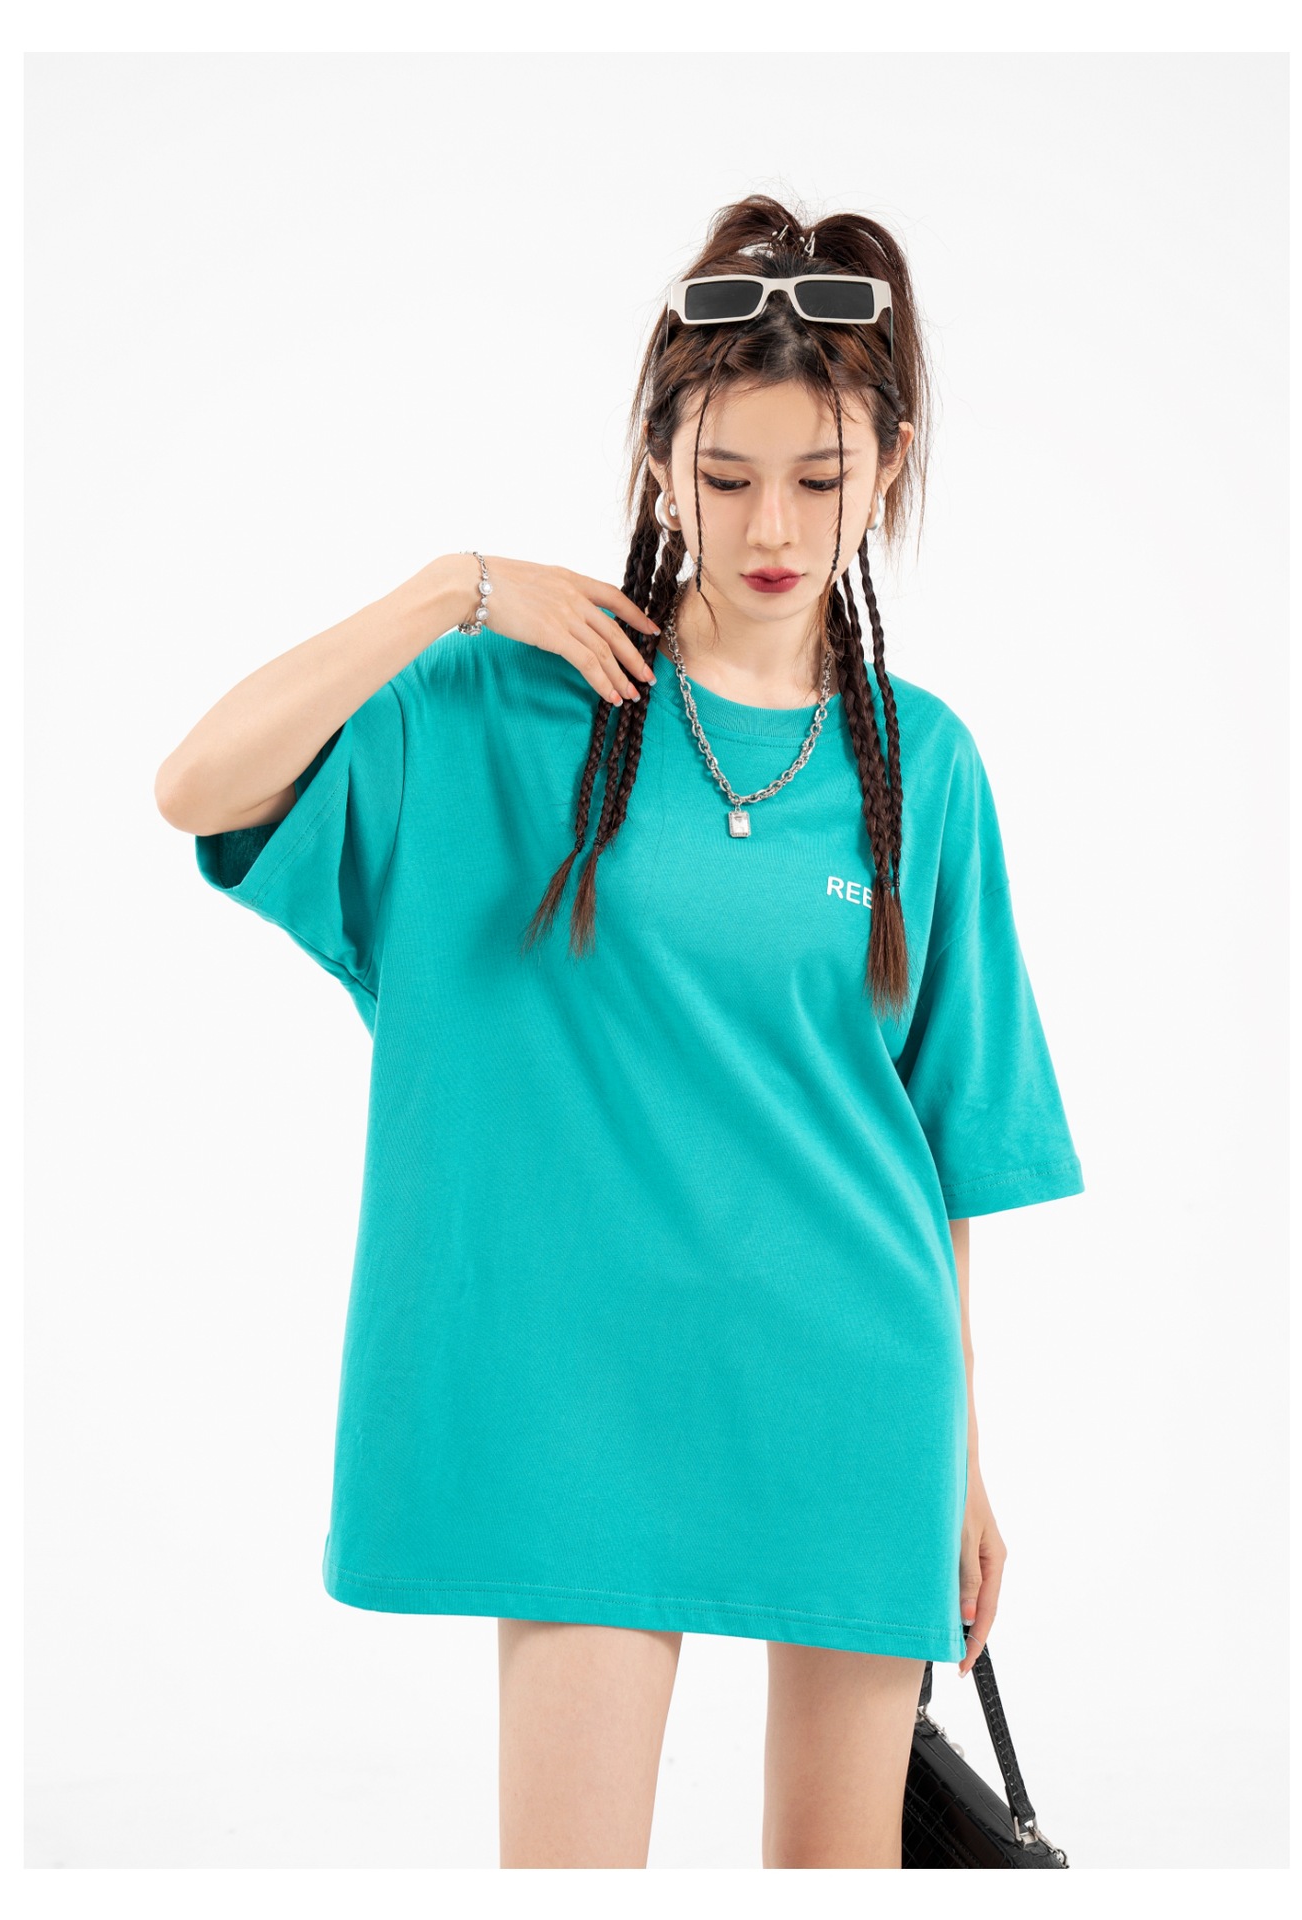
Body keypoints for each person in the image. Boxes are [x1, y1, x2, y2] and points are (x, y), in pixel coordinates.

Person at [155, 193, 1085, 1870]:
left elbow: (947, 1142)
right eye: (726, 477)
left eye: (821, 479)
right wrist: (452, 590)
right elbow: (196, 785)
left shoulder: (924, 764)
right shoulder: (515, 708)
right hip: (574, 1406)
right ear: (662, 464)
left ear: (887, 467)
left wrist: (963, 1462)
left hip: (853, 1391)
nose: (772, 526)